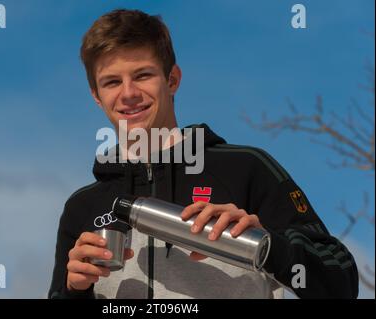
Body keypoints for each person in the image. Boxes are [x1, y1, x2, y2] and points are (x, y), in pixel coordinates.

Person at [48, 9, 358, 299]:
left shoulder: (246, 169)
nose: (128, 93)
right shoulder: (82, 206)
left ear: (172, 80)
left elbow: (341, 282)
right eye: (112, 82)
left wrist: (268, 244)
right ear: (97, 97)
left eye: (142, 75)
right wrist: (75, 290)